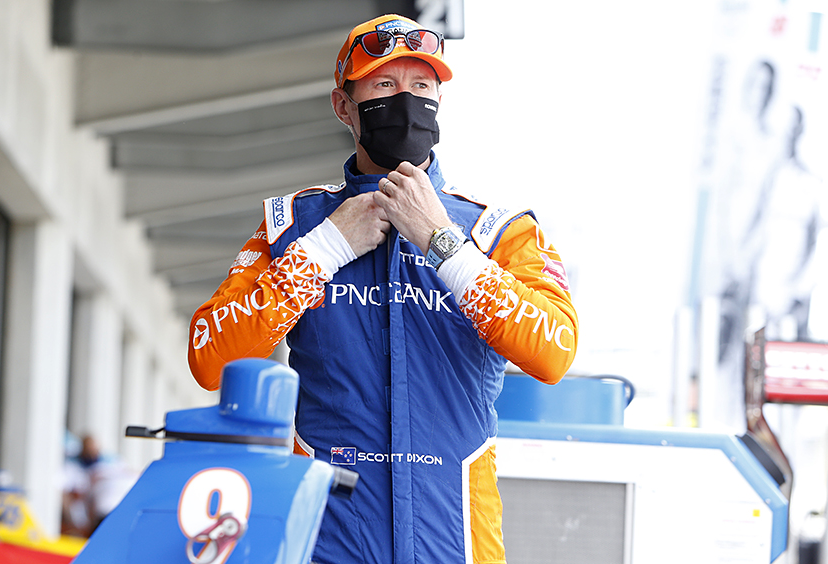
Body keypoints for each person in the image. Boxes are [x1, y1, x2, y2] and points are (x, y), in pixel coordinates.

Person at [188, 13, 579, 564]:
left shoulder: (497, 231)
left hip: (457, 546)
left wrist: (443, 244)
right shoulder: (295, 226)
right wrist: (324, 251)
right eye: (384, 85)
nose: (406, 101)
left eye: (422, 86)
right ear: (343, 106)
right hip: (325, 545)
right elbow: (210, 356)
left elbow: (555, 350)